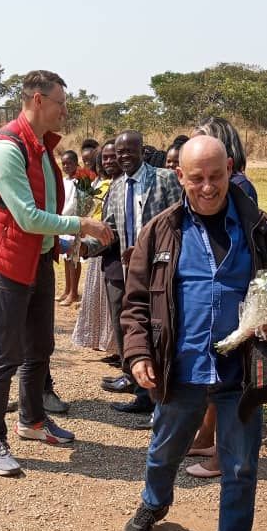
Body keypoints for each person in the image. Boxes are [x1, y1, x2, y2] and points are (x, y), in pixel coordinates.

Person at [120, 135, 267, 531]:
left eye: (216, 176)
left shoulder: (260, 228)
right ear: (180, 175)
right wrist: (138, 353)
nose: (208, 187)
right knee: (164, 451)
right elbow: (135, 302)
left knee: (240, 465)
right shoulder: (161, 230)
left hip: (241, 374)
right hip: (181, 368)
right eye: (196, 178)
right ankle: (154, 503)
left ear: (231, 169)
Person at [0, 70, 112, 477]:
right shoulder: (7, 148)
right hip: (5, 264)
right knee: (4, 354)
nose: (65, 111)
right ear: (38, 100)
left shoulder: (41, 148)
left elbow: (45, 214)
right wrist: (82, 226)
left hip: (37, 259)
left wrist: (63, 243)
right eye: (60, 103)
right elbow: (27, 217)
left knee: (40, 348)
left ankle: (32, 421)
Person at [90, 130, 181, 415]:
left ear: (142, 151)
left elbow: (180, 222)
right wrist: (81, 246)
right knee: (136, 328)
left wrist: (148, 251)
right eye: (120, 152)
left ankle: (164, 400)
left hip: (162, 271)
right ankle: (143, 394)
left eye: (130, 150)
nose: (124, 156)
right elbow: (110, 230)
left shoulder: (164, 179)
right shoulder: (116, 187)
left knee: (162, 330)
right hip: (131, 272)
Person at [185, 118, 257, 477]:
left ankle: (221, 455)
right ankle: (206, 438)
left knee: (229, 383)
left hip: (233, 300)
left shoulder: (239, 188)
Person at [71, 140, 120, 353]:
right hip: (96, 243)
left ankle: (117, 348)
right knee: (102, 298)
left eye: (113, 157)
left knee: (114, 303)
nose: (108, 161)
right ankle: (106, 343)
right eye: (105, 158)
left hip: (109, 245)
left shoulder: (119, 185)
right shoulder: (100, 184)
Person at [58, 150, 84, 306]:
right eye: (64, 164)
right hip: (62, 223)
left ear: (76, 164)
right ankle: (67, 290)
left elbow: (75, 203)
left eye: (69, 163)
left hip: (72, 222)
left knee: (74, 258)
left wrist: (63, 217)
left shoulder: (80, 182)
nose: (66, 166)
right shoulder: (63, 181)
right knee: (66, 257)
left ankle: (73, 292)